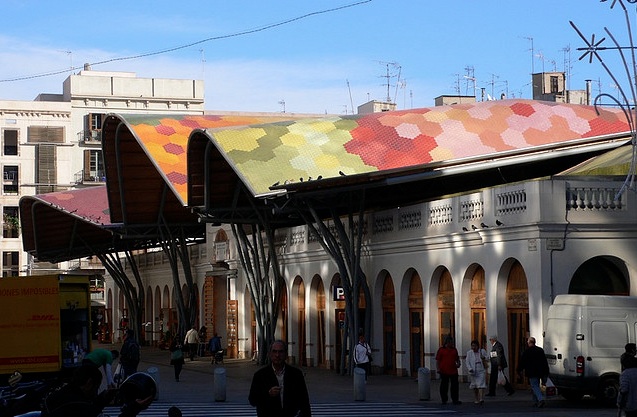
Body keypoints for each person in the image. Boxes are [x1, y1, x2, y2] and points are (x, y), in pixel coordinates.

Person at [40, 363, 152, 417]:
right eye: (97, 387)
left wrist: (103, 399)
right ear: (89, 383)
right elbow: (86, 410)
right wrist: (134, 408)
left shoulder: (60, 395)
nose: (96, 391)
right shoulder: (80, 406)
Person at [249, 340, 312, 417]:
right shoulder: (260, 375)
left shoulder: (296, 374)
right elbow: (252, 400)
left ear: (286, 354)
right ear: (270, 354)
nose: (277, 355)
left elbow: (304, 401)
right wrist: (268, 394)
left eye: (280, 352)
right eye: (274, 352)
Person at [516, 336, 549, 408]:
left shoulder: (527, 351)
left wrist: (518, 370)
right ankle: (535, 401)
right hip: (541, 371)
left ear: (529, 343)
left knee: (534, 386)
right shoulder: (540, 350)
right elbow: (544, 362)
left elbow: (522, 362)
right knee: (535, 386)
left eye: (527, 342)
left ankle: (540, 399)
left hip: (532, 372)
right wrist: (546, 372)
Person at [435, 336, 461, 405]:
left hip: (453, 370)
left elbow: (457, 359)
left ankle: (455, 399)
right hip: (444, 370)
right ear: (447, 343)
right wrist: (438, 369)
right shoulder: (441, 350)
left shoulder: (454, 350)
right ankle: (444, 399)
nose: (452, 344)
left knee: (455, 386)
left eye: (452, 343)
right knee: (444, 386)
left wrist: (458, 363)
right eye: (451, 343)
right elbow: (438, 360)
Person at [465, 339, 488, 405]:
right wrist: (469, 368)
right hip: (473, 369)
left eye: (474, 346)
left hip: (480, 368)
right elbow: (467, 362)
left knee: (481, 384)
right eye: (472, 346)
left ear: (478, 346)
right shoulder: (469, 353)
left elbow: (487, 357)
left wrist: (483, 357)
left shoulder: (482, 351)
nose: (473, 347)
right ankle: (476, 398)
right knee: (475, 385)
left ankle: (481, 398)